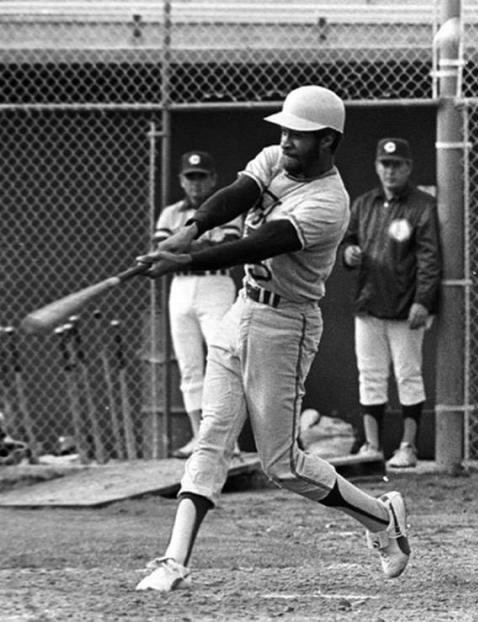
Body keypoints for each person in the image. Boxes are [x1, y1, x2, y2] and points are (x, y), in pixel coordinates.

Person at [132, 85, 410, 591]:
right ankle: (173, 560)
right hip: (241, 310)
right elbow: (238, 193)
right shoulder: (276, 158)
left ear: (328, 142)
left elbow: (259, 242)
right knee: (212, 436)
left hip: (287, 325)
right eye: (284, 130)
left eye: (298, 135)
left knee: (282, 465)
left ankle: (381, 519)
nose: (286, 140)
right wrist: (190, 229)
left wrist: (186, 261)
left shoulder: (328, 203)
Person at [340, 138, 441, 469]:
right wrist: (349, 253)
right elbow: (349, 240)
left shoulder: (421, 204)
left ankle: (407, 447)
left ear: (408, 167)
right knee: (369, 373)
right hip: (368, 302)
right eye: (385, 164)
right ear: (376, 166)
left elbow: (429, 258)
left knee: (408, 374)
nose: (390, 170)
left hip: (404, 306)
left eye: (397, 165)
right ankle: (372, 447)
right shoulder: (364, 203)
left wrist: (423, 300)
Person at [153, 151, 242, 458]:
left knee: (222, 360)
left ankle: (229, 440)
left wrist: (186, 247)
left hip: (216, 285)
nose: (196, 183)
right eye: (191, 177)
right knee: (190, 366)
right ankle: (198, 437)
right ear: (181, 180)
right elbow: (162, 249)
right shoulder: (170, 213)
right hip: (180, 287)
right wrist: (201, 246)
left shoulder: (227, 207)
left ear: (213, 179)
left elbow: (228, 247)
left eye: (202, 176)